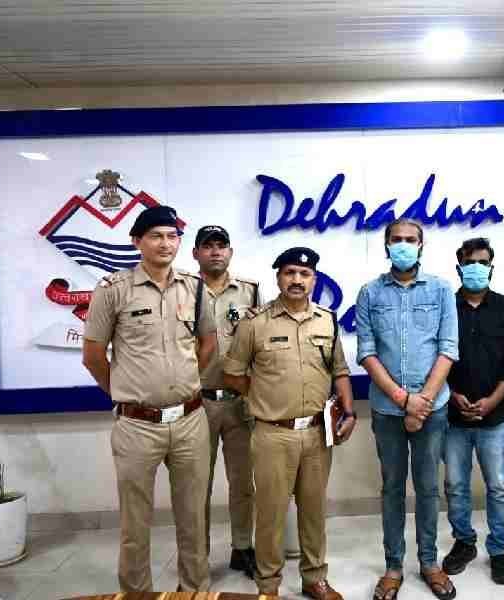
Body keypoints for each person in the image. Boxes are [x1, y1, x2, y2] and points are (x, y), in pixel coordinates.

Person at [82, 205, 216, 592]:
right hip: (137, 426)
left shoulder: (194, 287)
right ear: (137, 241)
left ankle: (194, 591)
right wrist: (125, 393)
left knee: (193, 518)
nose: (165, 243)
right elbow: (93, 356)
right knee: (135, 523)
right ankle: (136, 594)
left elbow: (208, 343)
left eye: (172, 236)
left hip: (190, 421)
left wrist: (183, 381)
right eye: (156, 236)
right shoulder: (113, 290)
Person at [224, 247, 356, 600]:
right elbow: (233, 374)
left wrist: (349, 412)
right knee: (271, 514)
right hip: (273, 434)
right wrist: (264, 397)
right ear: (279, 277)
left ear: (314, 279)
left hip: (317, 433)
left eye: (304, 274)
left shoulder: (327, 320)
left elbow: (339, 370)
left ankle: (315, 578)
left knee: (314, 510)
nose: (297, 280)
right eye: (289, 273)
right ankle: (268, 585)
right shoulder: (255, 323)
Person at [356, 218, 459, 600]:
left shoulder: (441, 290)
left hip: (433, 409)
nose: (403, 245)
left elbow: (448, 348)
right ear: (386, 245)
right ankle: (393, 566)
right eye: (396, 239)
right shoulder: (369, 293)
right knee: (392, 489)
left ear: (421, 245)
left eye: (410, 239)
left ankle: (429, 562)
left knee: (429, 488)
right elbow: (366, 352)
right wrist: (404, 400)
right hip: (387, 410)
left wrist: (423, 402)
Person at [441, 238, 504, 585]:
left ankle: (500, 549)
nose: (476, 267)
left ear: (491, 267)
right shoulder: (444, 307)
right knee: (455, 485)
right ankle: (464, 542)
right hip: (452, 417)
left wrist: (492, 399)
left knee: (499, 486)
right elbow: (434, 357)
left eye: (482, 262)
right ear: (459, 267)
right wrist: (451, 395)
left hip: (496, 416)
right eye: (469, 262)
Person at [192, 225, 261, 577]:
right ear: (196, 254)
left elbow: (260, 341)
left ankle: (242, 548)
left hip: (239, 402)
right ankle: (197, 556)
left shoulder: (249, 291)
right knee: (196, 485)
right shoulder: (185, 291)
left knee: (242, 482)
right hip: (198, 402)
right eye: (208, 246)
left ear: (230, 252)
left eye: (221, 245)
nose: (215, 251)